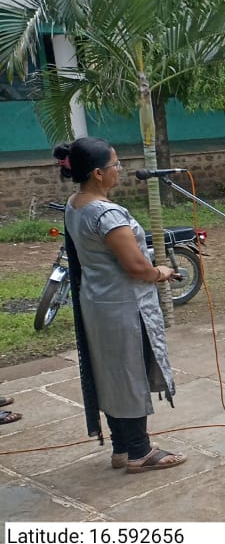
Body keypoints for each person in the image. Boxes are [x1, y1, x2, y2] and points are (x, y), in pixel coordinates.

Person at [56, 138, 185, 473]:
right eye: (115, 165)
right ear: (98, 173)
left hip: (98, 302)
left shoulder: (75, 203)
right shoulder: (107, 213)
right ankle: (140, 452)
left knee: (111, 373)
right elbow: (137, 267)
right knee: (130, 374)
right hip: (124, 304)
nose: (120, 170)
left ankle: (123, 447)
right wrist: (163, 272)